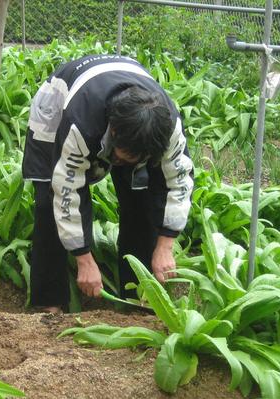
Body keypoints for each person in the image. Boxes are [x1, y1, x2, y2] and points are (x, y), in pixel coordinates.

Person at [22, 54, 194, 312]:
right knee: (48, 200)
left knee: (143, 198)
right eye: (124, 157)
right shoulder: (81, 123)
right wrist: (83, 259)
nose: (123, 163)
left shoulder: (167, 127)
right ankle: (50, 305)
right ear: (113, 133)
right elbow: (66, 191)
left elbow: (179, 184)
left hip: (129, 106)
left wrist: (165, 245)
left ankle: (137, 297)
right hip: (58, 106)